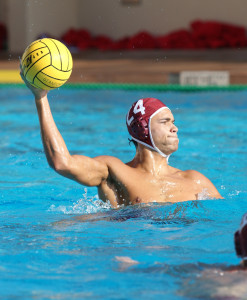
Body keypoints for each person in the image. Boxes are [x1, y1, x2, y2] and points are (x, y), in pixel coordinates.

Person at [21, 73, 222, 208]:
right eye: (165, 121)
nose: (175, 127)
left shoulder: (195, 180)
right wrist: (41, 98)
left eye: (174, 122)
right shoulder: (113, 171)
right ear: (142, 128)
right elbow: (62, 162)